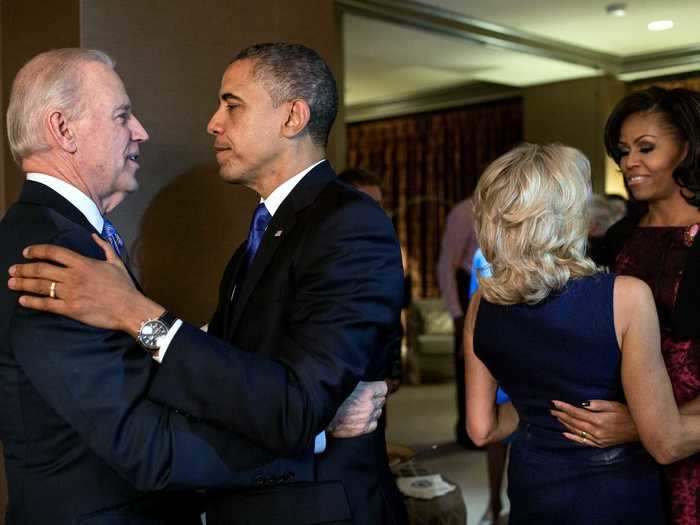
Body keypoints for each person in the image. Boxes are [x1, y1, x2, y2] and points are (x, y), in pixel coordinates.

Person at [8, 43, 408, 525]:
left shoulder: (348, 223)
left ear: (292, 117)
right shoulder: (55, 253)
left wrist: (138, 315)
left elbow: (297, 396)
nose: (213, 123)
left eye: (232, 105)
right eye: (122, 116)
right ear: (63, 129)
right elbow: (182, 410)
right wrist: (321, 427)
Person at [464, 142, 700, 524]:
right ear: (570, 213)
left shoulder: (482, 303)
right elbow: (666, 442)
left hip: (533, 485)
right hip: (615, 493)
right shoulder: (626, 296)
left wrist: (542, 406)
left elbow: (481, 429)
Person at [550, 86, 700, 525]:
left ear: (687, 147)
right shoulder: (615, 240)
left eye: (646, 148)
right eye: (622, 151)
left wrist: (648, 424)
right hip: (622, 457)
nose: (629, 161)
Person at [437, 196, 478, 447]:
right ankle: (469, 433)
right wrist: (456, 313)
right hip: (468, 291)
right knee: (468, 369)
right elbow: (445, 267)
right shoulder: (464, 212)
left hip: (497, 290)